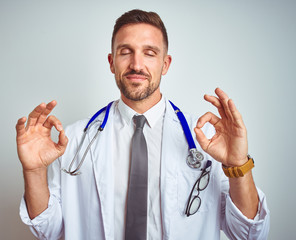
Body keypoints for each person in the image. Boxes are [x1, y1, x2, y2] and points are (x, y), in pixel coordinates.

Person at [16, 9, 270, 240]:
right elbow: (48, 231)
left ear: (165, 64)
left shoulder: (207, 141)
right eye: (125, 52)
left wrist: (238, 166)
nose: (137, 64)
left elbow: (247, 233)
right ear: (111, 62)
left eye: (149, 53)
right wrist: (34, 172)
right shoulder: (72, 140)